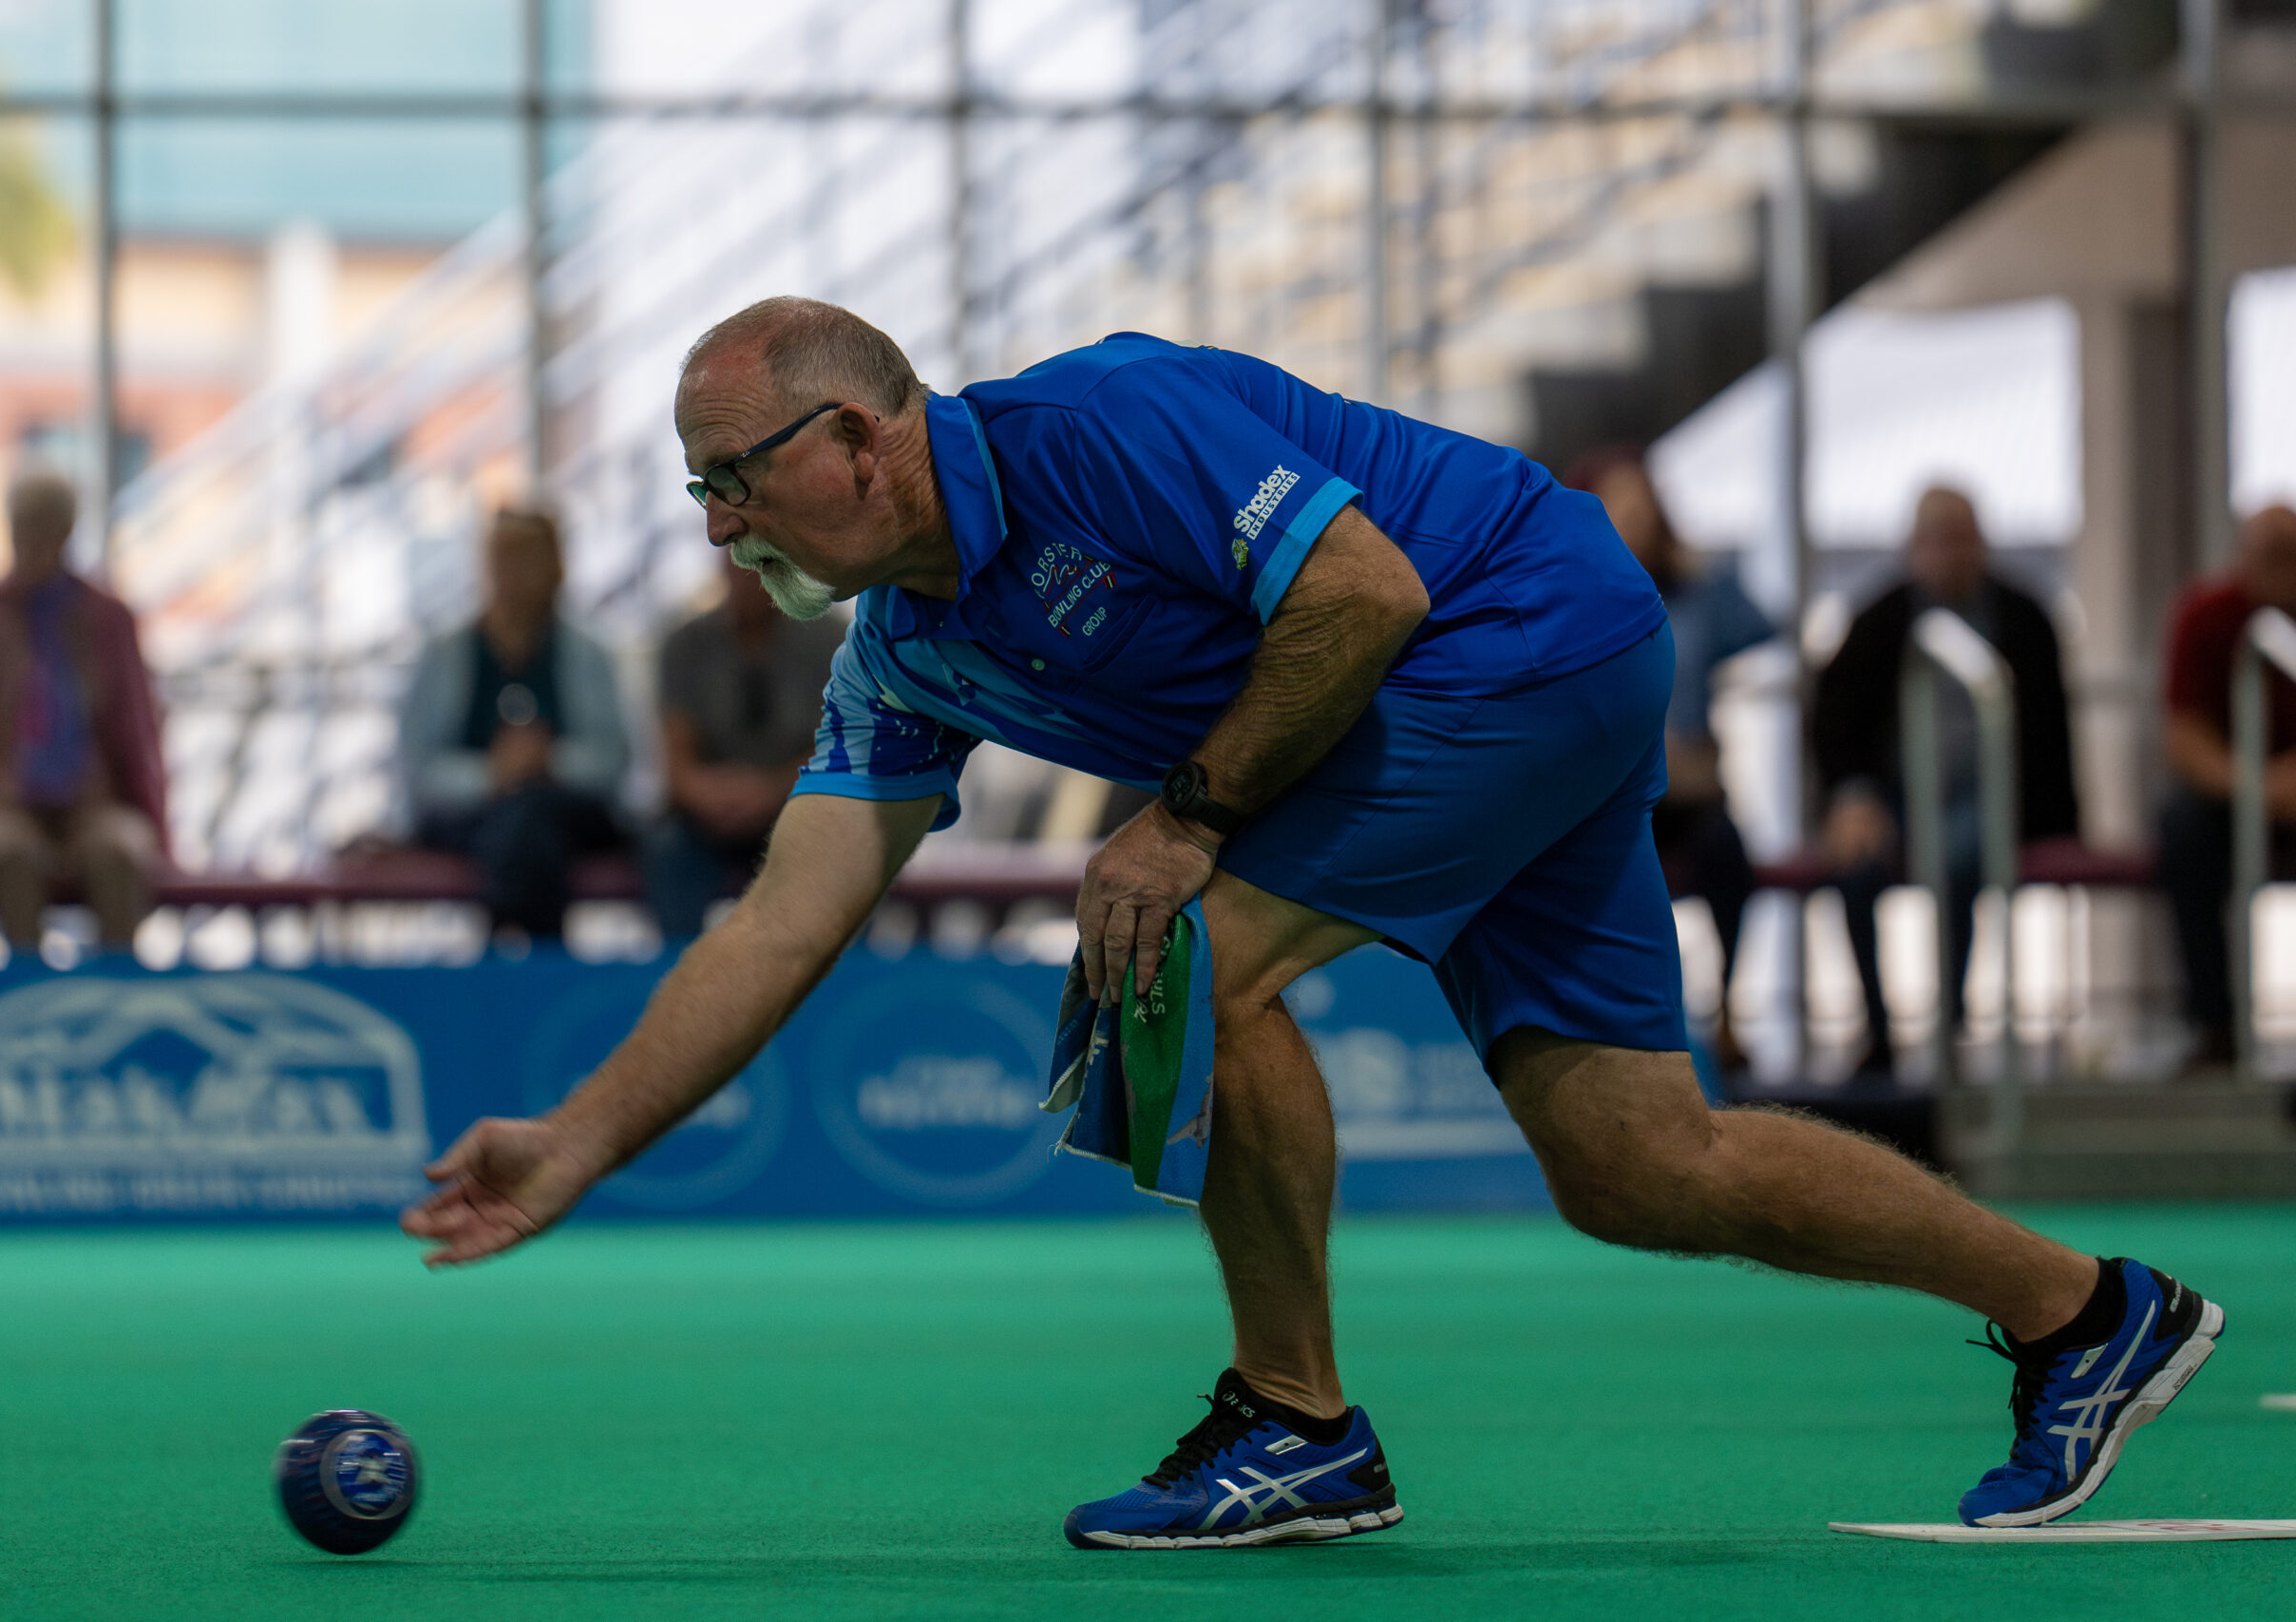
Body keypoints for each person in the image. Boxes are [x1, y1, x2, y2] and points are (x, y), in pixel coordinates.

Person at [404, 300, 2217, 1543]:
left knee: (1181, 938)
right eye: (699, 485)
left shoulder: (1098, 424)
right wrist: (577, 1141)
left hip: (1516, 633)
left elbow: (1366, 588)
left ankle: (1298, 1420)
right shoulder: (906, 648)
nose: (716, 522)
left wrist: (1182, 821)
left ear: (862, 442)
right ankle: (2087, 1313)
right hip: (1463, 705)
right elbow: (774, 930)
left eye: (732, 474)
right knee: (1638, 1164)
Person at [1812, 487, 2079, 1077]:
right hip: (1896, 796)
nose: (1951, 555)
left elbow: (2049, 739)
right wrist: (1853, 794)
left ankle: (1950, 1027)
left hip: (1993, 796)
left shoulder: (2023, 616)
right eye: (1936, 540)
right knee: (1854, 869)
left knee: (1957, 858)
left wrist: (2042, 814)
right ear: (1912, 548)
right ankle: (1879, 1034)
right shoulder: (1878, 619)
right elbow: (1833, 720)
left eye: (1962, 539)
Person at [1567, 448, 1773, 1070]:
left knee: (1727, 851)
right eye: (1620, 504)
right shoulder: (1570, 601)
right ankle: (1634, 1021)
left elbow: (1766, 626)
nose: (1638, 517)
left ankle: (1730, 1010)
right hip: (1606, 794)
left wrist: (1712, 572)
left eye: (1645, 503)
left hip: (1688, 799)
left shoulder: (1695, 598)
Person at [0, 470, 168, 952]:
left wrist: (157, 828)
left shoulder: (105, 618)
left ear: (65, 533)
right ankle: (27, 996)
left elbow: (136, 732)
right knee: (13, 864)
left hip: (91, 804)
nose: (27, 542)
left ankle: (115, 993)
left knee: (117, 858)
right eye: (20, 528)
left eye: (39, 528)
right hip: (0, 804)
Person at [399, 507, 632, 942]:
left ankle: (503, 954)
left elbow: (613, 758)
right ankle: (544, 968)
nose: (515, 572)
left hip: (562, 815)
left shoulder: (588, 653)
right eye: (503, 556)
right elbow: (419, 769)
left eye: (529, 556)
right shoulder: (446, 653)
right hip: (470, 819)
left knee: (528, 818)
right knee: (520, 825)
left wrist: (547, 765)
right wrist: (493, 774)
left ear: (558, 566)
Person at [2155, 504, 2296, 1072]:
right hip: (2235, 793)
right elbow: (2184, 734)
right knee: (2182, 829)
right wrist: (2254, 785)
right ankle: (2214, 1025)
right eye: (2269, 558)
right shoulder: (2207, 615)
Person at [645, 555, 845, 939]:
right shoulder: (685, 644)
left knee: (842, 841)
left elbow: (840, 749)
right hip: (705, 817)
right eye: (741, 561)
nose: (751, 576)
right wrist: (710, 795)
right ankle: (681, 973)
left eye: (763, 562)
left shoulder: (831, 643)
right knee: (665, 847)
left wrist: (770, 791)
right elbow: (676, 761)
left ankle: (827, 978)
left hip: (799, 803)